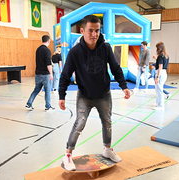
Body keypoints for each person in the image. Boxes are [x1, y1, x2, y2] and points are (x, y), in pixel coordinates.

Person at [58, 15, 131, 171]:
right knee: (80, 123)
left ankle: (107, 150)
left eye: (97, 30)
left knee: (107, 122)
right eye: (90, 30)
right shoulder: (75, 52)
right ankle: (68, 155)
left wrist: (123, 86)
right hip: (85, 95)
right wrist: (61, 96)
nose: (94, 34)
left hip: (104, 94)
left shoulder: (105, 48)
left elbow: (115, 68)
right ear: (83, 31)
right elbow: (65, 74)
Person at [25, 35, 55, 111]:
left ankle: (29, 104)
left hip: (38, 74)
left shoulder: (38, 49)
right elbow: (48, 63)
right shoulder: (47, 50)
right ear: (48, 41)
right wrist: (51, 73)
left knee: (36, 90)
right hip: (45, 74)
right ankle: (48, 106)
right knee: (47, 90)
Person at [152, 42, 169, 110]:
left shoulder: (160, 56)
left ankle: (161, 105)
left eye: (157, 48)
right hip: (164, 73)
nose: (156, 49)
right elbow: (161, 63)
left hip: (160, 73)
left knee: (159, 90)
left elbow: (160, 67)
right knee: (158, 89)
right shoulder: (165, 55)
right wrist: (156, 58)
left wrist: (157, 77)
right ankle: (158, 103)